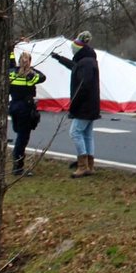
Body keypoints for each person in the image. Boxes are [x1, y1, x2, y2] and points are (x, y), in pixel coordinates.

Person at [51, 31, 101, 178]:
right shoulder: (88, 61)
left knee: (75, 132)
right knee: (87, 134)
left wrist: (74, 104)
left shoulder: (85, 63)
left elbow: (83, 85)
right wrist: (59, 59)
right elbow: (74, 66)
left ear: (78, 49)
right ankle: (89, 165)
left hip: (84, 106)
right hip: (91, 105)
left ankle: (82, 165)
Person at [8, 51, 47, 176]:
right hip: (26, 108)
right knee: (22, 138)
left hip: (13, 106)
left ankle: (17, 163)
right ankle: (18, 167)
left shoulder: (11, 73)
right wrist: (31, 69)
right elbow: (43, 77)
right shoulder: (31, 76)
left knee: (18, 131)